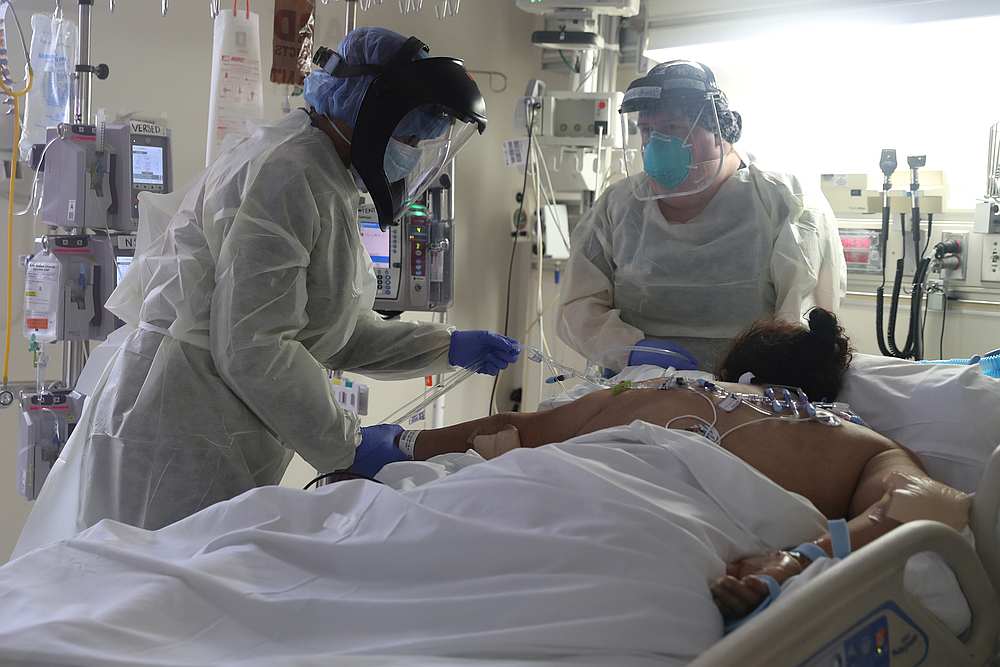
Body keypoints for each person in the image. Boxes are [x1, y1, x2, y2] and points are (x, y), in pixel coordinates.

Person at [13, 27, 520, 557]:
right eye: (410, 140)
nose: (412, 157)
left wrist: (446, 347)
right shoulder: (288, 172)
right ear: (370, 113)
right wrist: (346, 443)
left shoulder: (323, 176)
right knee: (150, 605)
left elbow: (328, 331)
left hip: (214, 426)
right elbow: (254, 346)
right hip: (178, 432)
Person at [391, 309, 969, 622]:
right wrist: (801, 557)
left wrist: (398, 443)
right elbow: (930, 505)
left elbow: (508, 433)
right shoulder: (855, 443)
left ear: (735, 366)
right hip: (648, 551)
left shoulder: (652, 390)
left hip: (537, 497)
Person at [557, 60, 847, 374]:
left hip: (750, 393)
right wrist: (631, 350)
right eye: (647, 130)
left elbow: (801, 317)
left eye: (672, 128)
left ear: (722, 132)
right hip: (636, 386)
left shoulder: (784, 201)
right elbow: (578, 306)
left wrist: (758, 378)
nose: (656, 145)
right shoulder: (618, 205)